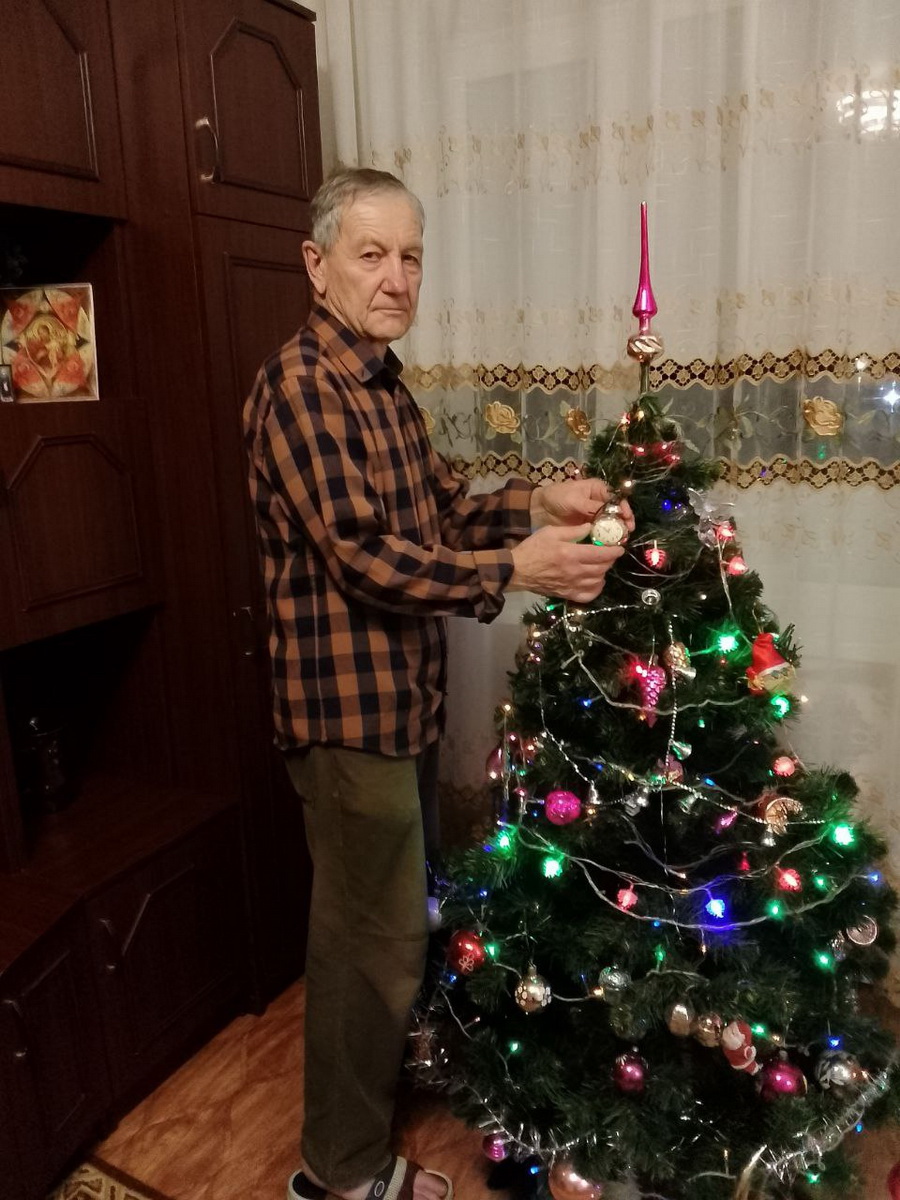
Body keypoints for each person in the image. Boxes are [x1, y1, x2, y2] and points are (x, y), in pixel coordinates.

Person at [243, 167, 632, 1200]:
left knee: (393, 922)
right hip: (346, 718)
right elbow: (366, 557)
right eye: (372, 254)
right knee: (365, 943)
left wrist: (535, 503)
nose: (397, 277)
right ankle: (341, 1171)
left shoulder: (382, 384)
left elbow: (443, 511)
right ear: (317, 265)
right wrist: (519, 569)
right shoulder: (301, 387)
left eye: (411, 256)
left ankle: (377, 1084)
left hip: (402, 706)